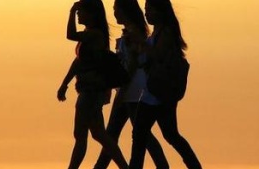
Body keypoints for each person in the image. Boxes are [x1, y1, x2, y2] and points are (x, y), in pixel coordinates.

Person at [93, 0, 168, 168]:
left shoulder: (133, 34)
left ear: (124, 10)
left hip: (132, 91)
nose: (114, 13)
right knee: (115, 134)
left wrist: (122, 89)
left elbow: (133, 65)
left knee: (136, 134)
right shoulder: (131, 33)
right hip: (128, 89)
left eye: (115, 9)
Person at [129, 0, 202, 168]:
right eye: (145, 10)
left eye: (149, 9)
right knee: (169, 135)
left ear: (160, 11)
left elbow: (158, 55)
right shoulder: (157, 33)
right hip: (154, 92)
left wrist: (141, 42)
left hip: (156, 94)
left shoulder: (166, 33)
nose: (146, 13)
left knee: (141, 134)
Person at [57, 0, 128, 168]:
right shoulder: (90, 34)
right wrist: (64, 84)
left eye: (80, 12)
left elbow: (70, 35)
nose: (78, 15)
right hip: (89, 91)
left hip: (91, 92)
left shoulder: (95, 35)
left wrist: (71, 11)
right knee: (98, 134)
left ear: (92, 14)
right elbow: (78, 63)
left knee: (81, 134)